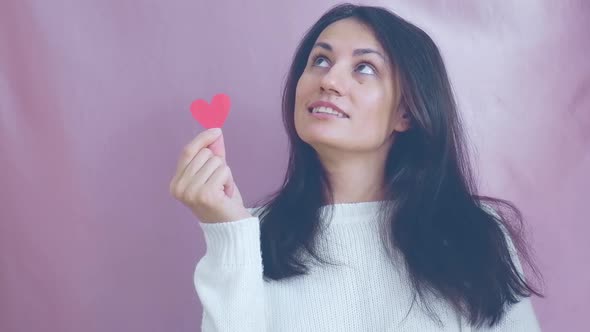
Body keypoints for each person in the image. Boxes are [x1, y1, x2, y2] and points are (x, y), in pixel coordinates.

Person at [169, 3, 544, 331]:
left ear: (406, 112)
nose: (329, 81)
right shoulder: (254, 235)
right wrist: (229, 233)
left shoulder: (473, 233)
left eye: (364, 68)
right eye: (320, 60)